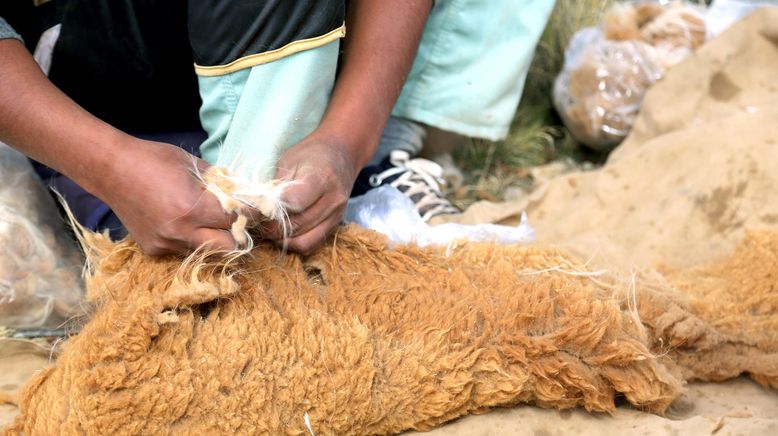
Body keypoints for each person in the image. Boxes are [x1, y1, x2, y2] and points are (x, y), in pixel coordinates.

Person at [0, 0, 553, 256]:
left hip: (296, 50)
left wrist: (349, 137)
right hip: (90, 65)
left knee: (296, 203)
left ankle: (388, 147)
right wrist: (107, 163)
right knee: (162, 235)